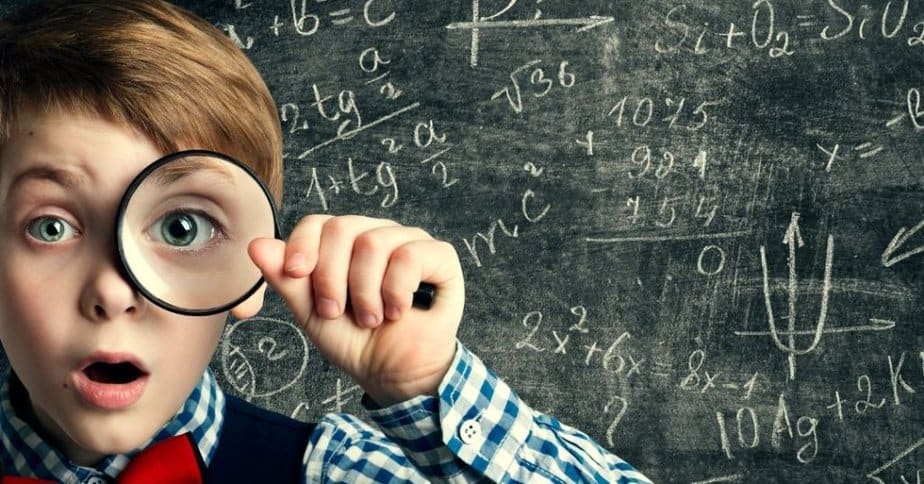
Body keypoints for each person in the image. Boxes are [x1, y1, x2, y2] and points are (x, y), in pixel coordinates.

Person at [0, 1, 651, 482]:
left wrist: (426, 386)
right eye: (50, 226)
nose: (113, 291)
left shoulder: (334, 471)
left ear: (252, 270)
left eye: (182, 227)